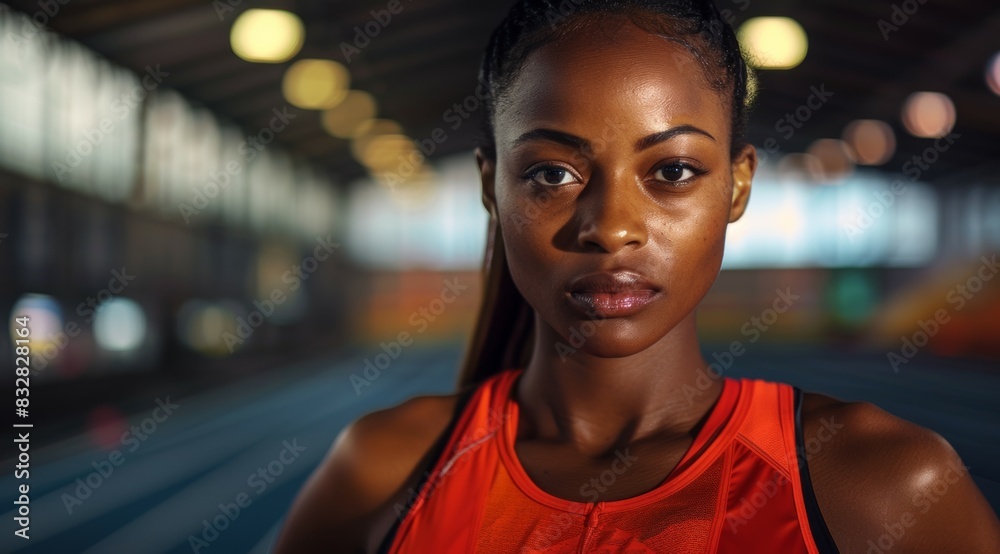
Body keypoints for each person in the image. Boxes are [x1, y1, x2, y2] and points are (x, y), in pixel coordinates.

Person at [273, 1, 1000, 552]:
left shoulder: (883, 484)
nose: (611, 226)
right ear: (492, 188)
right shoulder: (383, 471)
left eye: (673, 170)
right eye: (552, 173)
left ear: (739, 187)